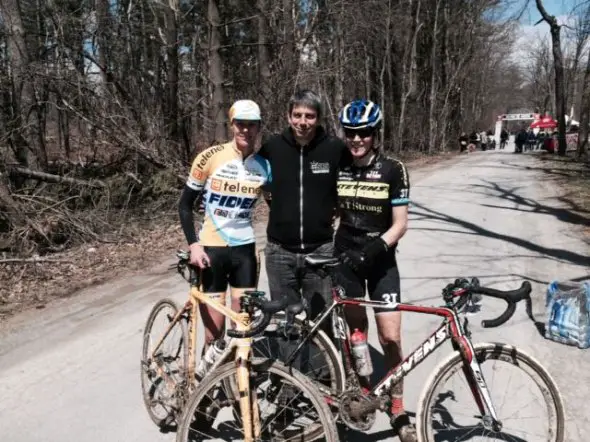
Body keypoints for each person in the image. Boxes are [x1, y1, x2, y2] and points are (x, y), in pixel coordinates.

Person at [335, 99, 416, 441]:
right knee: (357, 337)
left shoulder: (393, 169)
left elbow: (400, 225)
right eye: (351, 133)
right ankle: (365, 395)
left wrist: (375, 248)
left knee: (391, 337)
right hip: (346, 260)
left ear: (375, 134)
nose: (356, 140)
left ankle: (397, 408)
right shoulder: (339, 165)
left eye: (363, 133)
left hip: (380, 260)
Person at [178, 99, 271, 348]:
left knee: (242, 329)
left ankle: (236, 384)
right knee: (214, 334)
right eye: (240, 124)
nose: (245, 130)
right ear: (232, 125)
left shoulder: (264, 167)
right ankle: (210, 385)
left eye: (251, 125)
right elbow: (185, 205)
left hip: (245, 252)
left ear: (259, 127)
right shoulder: (210, 157)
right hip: (212, 250)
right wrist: (193, 245)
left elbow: (278, 205)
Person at [258, 89, 348, 320]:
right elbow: (249, 177)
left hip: (321, 250)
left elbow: (352, 183)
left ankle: (321, 358)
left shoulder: (334, 148)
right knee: (286, 322)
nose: (303, 122)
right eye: (297, 115)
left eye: (309, 116)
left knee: (321, 321)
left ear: (318, 119)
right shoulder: (271, 148)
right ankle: (293, 359)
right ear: (288, 117)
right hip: (280, 252)